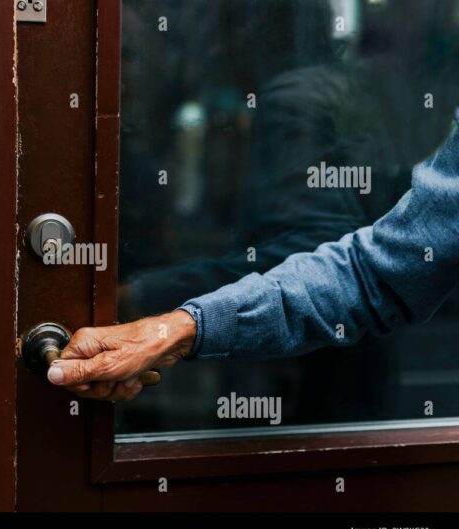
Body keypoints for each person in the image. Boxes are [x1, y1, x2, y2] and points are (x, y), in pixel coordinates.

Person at [47, 112, 459, 402]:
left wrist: (159, 305)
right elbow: (372, 274)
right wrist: (179, 329)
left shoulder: (294, 102)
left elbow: (336, 250)